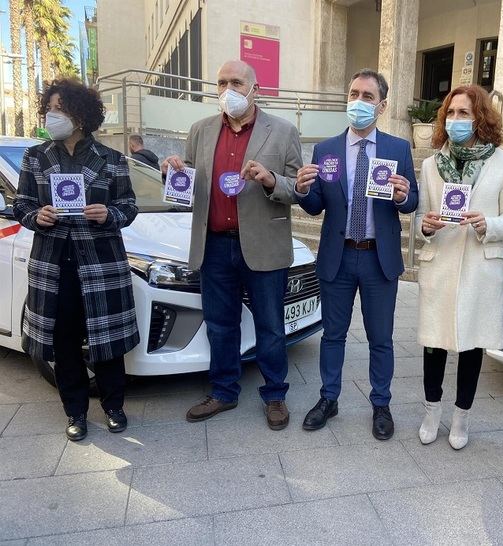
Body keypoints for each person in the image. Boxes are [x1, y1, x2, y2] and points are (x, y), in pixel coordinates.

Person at [163, 60, 301, 430]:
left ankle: (275, 395)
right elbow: (188, 185)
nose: (228, 89)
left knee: (271, 325)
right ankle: (224, 391)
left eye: (236, 82)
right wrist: (174, 171)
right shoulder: (200, 130)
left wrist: (271, 180)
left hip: (263, 245)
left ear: (255, 88)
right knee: (221, 325)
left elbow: (299, 190)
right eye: (221, 82)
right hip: (214, 245)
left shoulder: (283, 130)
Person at [14, 79, 140, 441]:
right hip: (54, 264)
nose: (53, 115)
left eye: (61, 108)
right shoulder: (35, 156)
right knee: (64, 341)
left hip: (100, 263)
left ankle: (114, 406)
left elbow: (129, 206)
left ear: (81, 115)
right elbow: (21, 203)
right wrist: (36, 216)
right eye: (50, 107)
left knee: (106, 340)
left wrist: (108, 214)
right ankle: (75, 412)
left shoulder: (112, 159)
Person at [295, 69, 418, 440]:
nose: (358, 101)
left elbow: (411, 201)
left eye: (367, 96)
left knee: (381, 338)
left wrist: (402, 196)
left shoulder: (398, 149)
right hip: (339, 256)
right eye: (353, 93)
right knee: (333, 335)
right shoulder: (326, 149)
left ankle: (381, 403)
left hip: (379, 259)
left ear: (381, 105)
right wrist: (303, 190)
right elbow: (316, 206)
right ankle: (328, 398)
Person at [415, 84, 503, 450]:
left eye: (464, 113)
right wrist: (427, 226)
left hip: (480, 266)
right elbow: (420, 220)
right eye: (451, 113)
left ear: (480, 117)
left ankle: (461, 417)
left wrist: (488, 224)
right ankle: (432, 412)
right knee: (434, 344)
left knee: (472, 346)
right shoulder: (431, 164)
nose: (456, 120)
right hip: (441, 265)